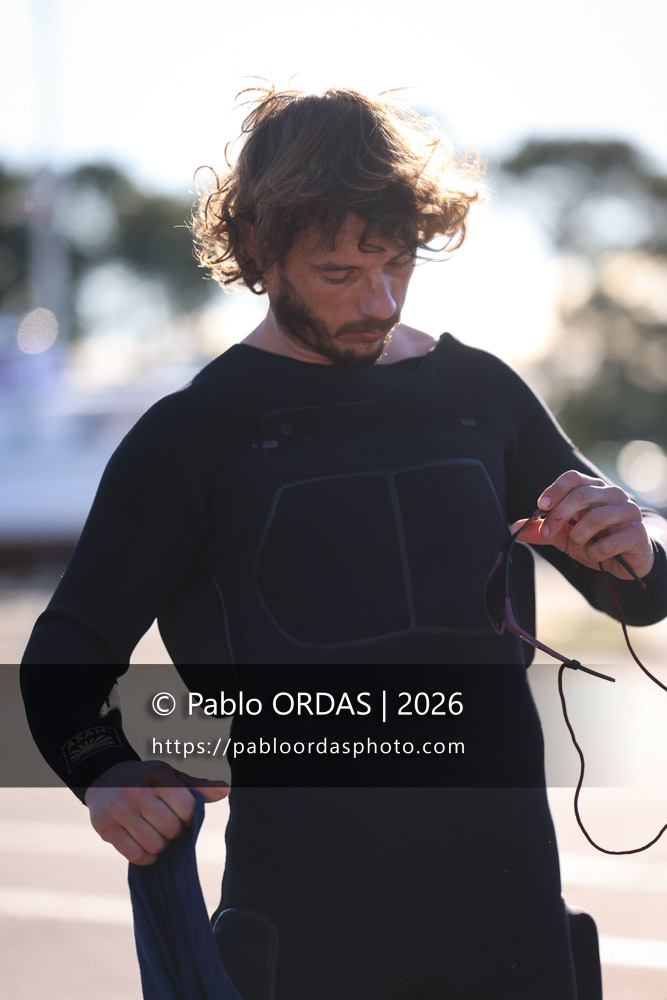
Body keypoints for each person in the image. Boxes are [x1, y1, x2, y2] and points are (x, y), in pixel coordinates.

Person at [21, 85, 667, 1000]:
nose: (378, 299)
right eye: (337, 273)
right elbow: (69, 650)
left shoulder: (477, 392)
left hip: (512, 924)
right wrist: (102, 768)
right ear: (258, 248)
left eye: (397, 264)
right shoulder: (192, 435)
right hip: (307, 938)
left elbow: (636, 586)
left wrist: (633, 541)